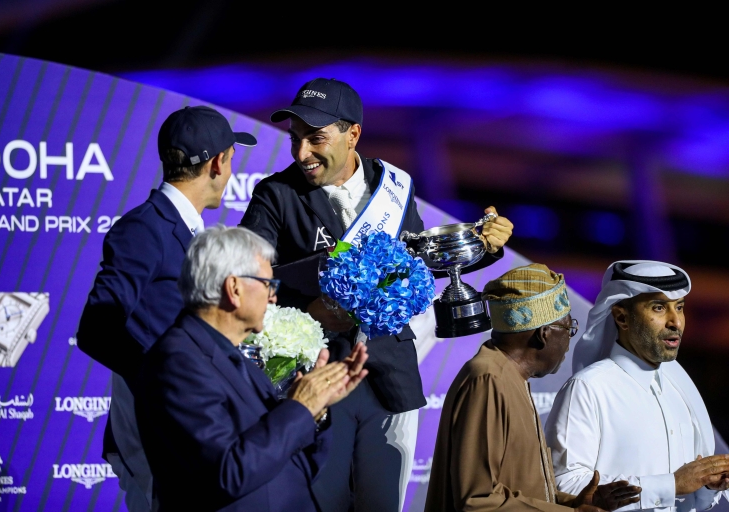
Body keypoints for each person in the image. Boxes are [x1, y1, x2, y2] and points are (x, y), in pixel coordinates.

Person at [240, 77, 514, 512]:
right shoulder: (275, 195)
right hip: (316, 377)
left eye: (315, 139)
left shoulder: (393, 189)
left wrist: (484, 247)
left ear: (354, 134)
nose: (301, 154)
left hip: (389, 375)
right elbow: (248, 283)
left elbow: (419, 262)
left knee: (383, 503)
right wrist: (308, 310)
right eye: (296, 140)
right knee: (320, 502)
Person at [77, 106, 256, 511]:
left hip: (191, 423)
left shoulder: (193, 231)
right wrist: (162, 378)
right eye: (231, 160)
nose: (229, 173)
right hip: (155, 424)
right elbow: (96, 327)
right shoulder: (145, 227)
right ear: (218, 162)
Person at [136, 226, 369, 511]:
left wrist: (316, 411)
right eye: (267, 284)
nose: (273, 297)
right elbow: (226, 474)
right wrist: (300, 408)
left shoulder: (234, 355)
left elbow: (289, 461)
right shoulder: (176, 363)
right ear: (234, 288)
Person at [424, 264, 642, 512]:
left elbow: (519, 491)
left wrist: (576, 503)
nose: (569, 343)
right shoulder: (488, 379)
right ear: (544, 333)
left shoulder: (510, 377)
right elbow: (478, 500)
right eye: (568, 329)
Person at [545, 260, 729, 512]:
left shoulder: (680, 388)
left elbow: (690, 497)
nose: (676, 322)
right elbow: (563, 485)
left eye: (680, 307)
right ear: (622, 317)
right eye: (659, 307)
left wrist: (708, 484)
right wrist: (670, 485)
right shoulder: (589, 387)